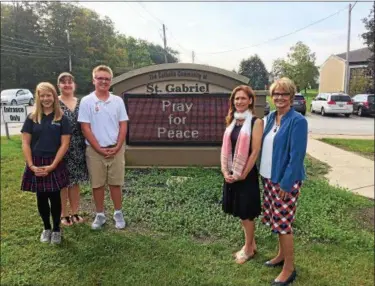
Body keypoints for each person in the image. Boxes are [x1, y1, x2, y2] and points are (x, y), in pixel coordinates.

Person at [259, 77, 308, 285]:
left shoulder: (298, 121)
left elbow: (297, 156)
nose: (279, 97)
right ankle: (280, 256)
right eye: (276, 94)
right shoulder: (271, 117)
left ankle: (289, 268)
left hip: (285, 181)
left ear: (291, 96)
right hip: (269, 178)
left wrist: (286, 184)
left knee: (284, 224)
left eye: (284, 94)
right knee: (276, 221)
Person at [78, 65, 128, 230]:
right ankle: (100, 215)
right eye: (100, 78)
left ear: (110, 81)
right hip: (94, 151)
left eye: (106, 79)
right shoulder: (87, 101)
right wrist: (99, 149)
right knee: (97, 184)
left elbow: (123, 125)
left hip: (116, 149)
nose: (103, 81)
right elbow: (85, 128)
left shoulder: (118, 101)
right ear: (94, 80)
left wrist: (118, 146)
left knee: (115, 183)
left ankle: (118, 213)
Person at [20, 82, 72, 244]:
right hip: (36, 162)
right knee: (41, 197)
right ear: (38, 97)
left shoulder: (62, 118)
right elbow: (25, 143)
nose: (45, 99)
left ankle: (56, 229)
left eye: (48, 95)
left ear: (54, 96)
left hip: (54, 162)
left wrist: (53, 165)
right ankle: (46, 228)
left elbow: (65, 144)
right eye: (42, 96)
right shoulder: (31, 118)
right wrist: (31, 165)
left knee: (55, 198)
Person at [220, 85, 263, 264]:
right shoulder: (232, 121)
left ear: (250, 100)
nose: (239, 102)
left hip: (246, 175)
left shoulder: (256, 122)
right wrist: (225, 171)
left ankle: (248, 250)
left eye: (243, 98)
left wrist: (243, 174)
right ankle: (251, 245)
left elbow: (255, 151)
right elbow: (225, 149)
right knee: (240, 211)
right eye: (236, 98)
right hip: (232, 173)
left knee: (246, 213)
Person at [57, 72, 89, 226]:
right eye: (63, 82)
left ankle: (75, 211)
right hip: (60, 147)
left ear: (74, 85)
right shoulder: (54, 102)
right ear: (59, 86)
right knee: (63, 182)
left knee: (75, 182)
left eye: (70, 81)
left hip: (78, 146)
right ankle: (64, 214)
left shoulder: (82, 102)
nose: (67, 84)